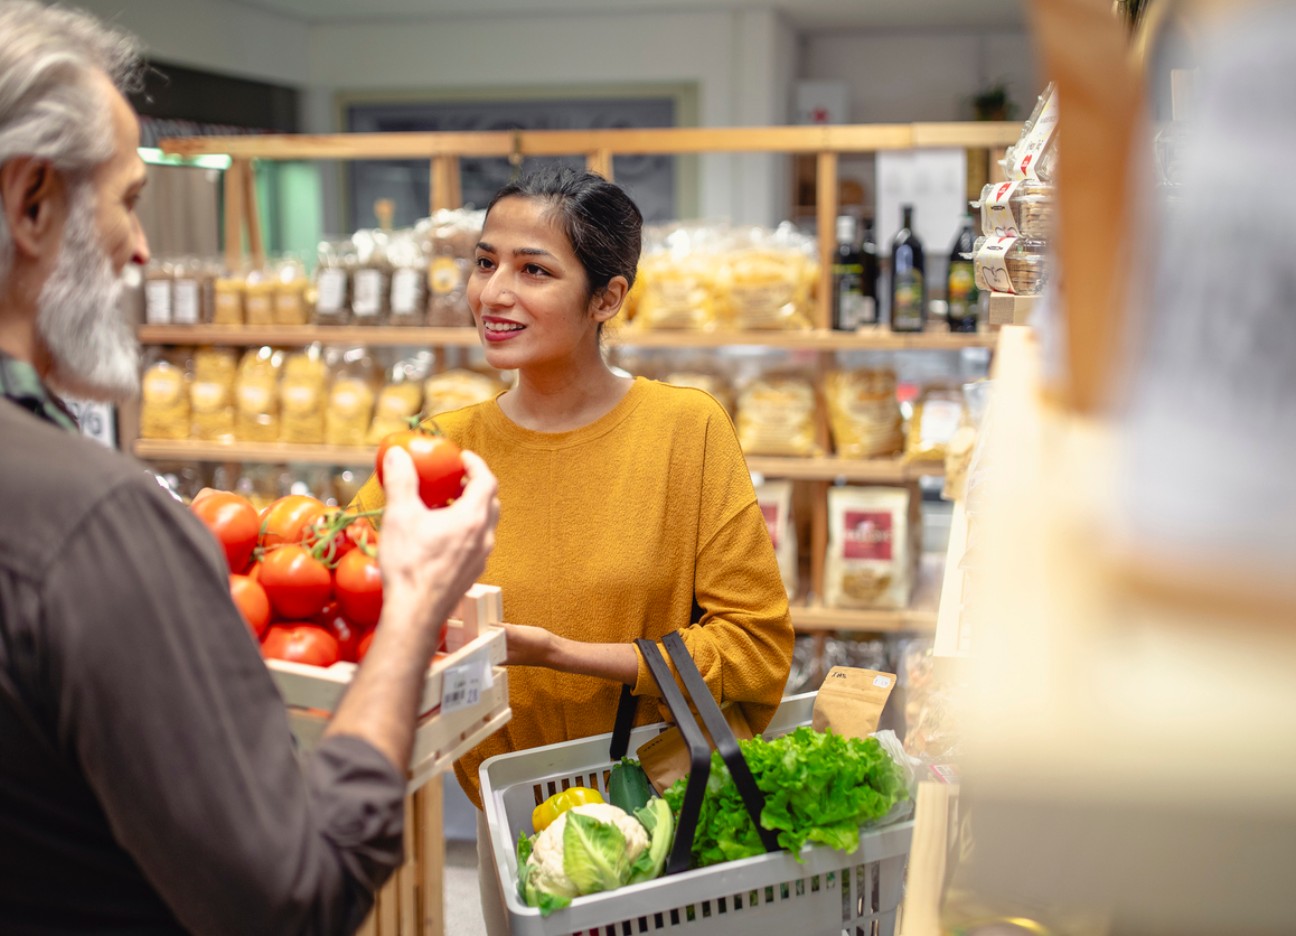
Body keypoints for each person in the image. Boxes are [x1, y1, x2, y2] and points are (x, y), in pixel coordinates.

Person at [0, 3, 499, 933]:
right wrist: (415, 600)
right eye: (129, 200)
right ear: (32, 204)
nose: (143, 249)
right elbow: (291, 901)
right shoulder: (90, 523)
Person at [350, 167, 796, 931]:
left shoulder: (685, 432)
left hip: (656, 817)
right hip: (505, 813)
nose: (494, 293)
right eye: (486, 263)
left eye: (534, 270)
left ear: (607, 299)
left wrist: (558, 652)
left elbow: (755, 648)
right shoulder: (437, 449)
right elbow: (345, 595)